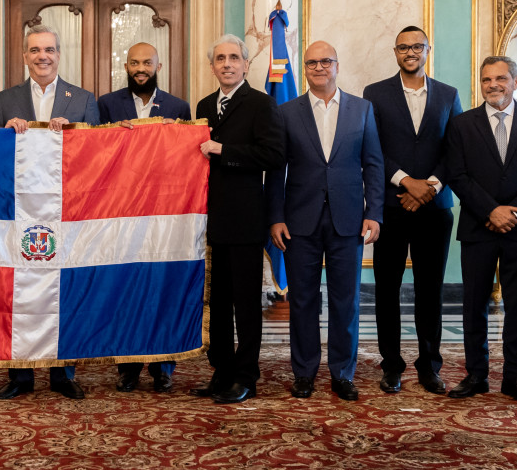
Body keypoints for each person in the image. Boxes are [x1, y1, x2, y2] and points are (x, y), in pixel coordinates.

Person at [266, 41, 383, 401]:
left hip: (349, 220)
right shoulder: (287, 112)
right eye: (312, 62)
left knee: (346, 301)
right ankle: (304, 372)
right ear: (304, 69)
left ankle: (343, 374)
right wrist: (276, 217)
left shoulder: (362, 109)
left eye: (326, 61)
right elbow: (276, 170)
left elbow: (374, 164)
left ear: (337, 65)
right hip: (299, 220)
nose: (319, 67)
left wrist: (374, 213)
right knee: (303, 300)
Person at [0, 24, 98, 400]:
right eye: (35, 50)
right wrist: (4, 133)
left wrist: (76, 132)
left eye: (49, 50)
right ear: (25, 56)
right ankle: (20, 376)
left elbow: (97, 157)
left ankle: (62, 374)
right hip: (19, 211)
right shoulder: (5, 100)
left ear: (59, 54)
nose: (42, 57)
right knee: (20, 292)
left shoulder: (82, 100)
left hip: (67, 212)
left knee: (62, 291)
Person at [444, 56, 517, 405]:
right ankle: (476, 375)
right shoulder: (461, 124)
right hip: (478, 226)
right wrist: (490, 210)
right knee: (474, 304)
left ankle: (514, 377)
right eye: (486, 80)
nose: (493, 85)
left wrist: (514, 211)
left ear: (516, 80)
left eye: (500, 78)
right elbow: (457, 174)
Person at [363, 26, 463, 396]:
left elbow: (457, 147)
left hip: (435, 208)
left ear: (427, 49)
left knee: (430, 290)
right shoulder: (375, 94)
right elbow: (371, 147)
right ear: (395, 52)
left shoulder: (449, 94)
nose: (410, 52)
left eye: (417, 46)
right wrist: (406, 182)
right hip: (391, 206)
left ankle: (429, 366)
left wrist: (429, 187)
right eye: (404, 47)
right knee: (387, 290)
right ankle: (391, 366)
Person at [98, 41, 192, 393]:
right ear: (126, 66)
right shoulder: (107, 105)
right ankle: (128, 367)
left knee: (162, 288)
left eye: (147, 63)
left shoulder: (179, 107)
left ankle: (163, 366)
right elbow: (95, 155)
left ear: (158, 66)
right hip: (120, 212)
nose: (141, 69)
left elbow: (186, 161)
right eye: (135, 63)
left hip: (164, 213)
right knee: (125, 288)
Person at [193, 34, 283, 404]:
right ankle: (222, 371)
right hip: (210, 220)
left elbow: (273, 155)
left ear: (246, 64)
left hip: (246, 219)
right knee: (217, 303)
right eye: (220, 58)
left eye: (234, 57)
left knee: (246, 305)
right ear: (212, 66)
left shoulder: (261, 104)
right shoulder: (203, 105)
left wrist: (224, 150)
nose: (227, 64)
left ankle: (246, 376)